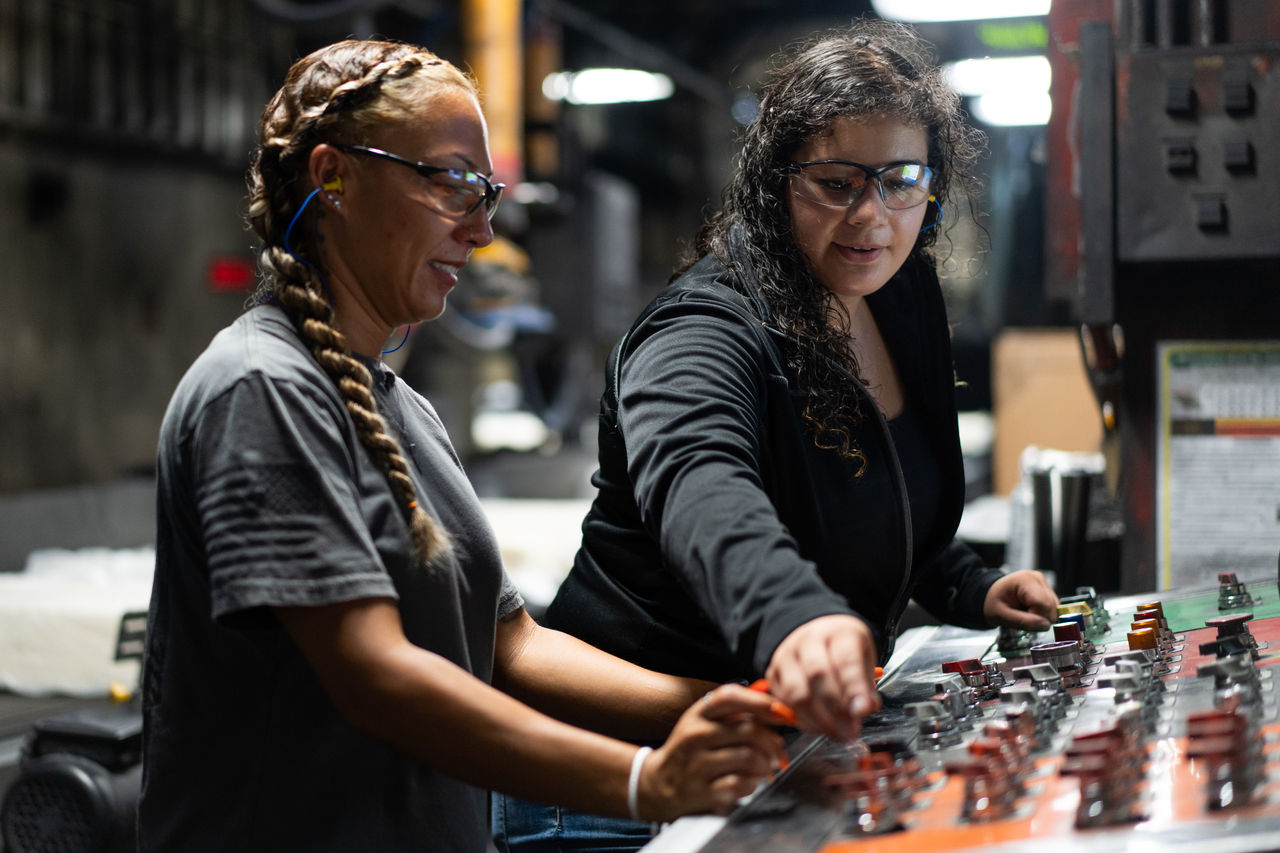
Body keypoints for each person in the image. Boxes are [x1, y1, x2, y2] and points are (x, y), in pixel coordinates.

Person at [138, 39, 791, 852]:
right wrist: (642, 782)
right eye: (450, 183)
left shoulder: (401, 407)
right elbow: (376, 676)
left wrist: (732, 702)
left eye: (485, 192)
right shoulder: (263, 388)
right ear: (333, 176)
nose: (482, 230)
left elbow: (510, 645)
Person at [493, 18, 1059, 851]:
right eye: (837, 181)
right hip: (614, 781)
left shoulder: (895, 297)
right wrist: (793, 619)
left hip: (772, 754)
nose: (873, 215)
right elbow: (701, 483)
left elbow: (872, 496)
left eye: (903, 180)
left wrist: (967, 585)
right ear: (774, 182)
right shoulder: (702, 328)